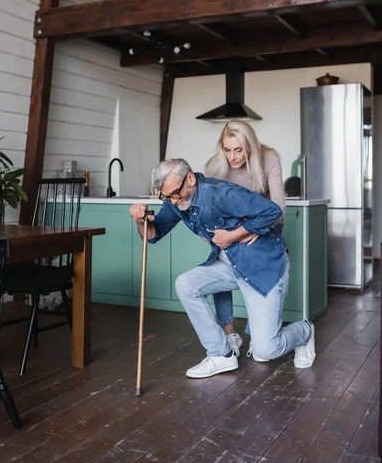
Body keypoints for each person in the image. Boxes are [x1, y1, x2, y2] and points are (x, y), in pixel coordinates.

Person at [130, 159, 315, 379]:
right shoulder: (176, 201)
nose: (173, 200)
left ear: (190, 178)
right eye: (167, 196)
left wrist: (233, 235)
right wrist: (141, 221)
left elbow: (272, 211)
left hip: (261, 266)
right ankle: (221, 355)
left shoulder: (220, 193)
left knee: (265, 351)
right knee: (186, 284)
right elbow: (153, 235)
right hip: (228, 264)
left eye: (175, 193)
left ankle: (305, 331)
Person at [204, 120, 286, 358]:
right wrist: (216, 236)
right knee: (218, 268)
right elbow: (210, 210)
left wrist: (250, 230)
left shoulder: (269, 158)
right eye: (227, 150)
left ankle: (256, 335)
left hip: (263, 230)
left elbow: (279, 209)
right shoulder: (214, 166)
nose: (232, 157)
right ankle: (230, 334)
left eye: (238, 150)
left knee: (256, 280)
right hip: (228, 232)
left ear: (250, 146)